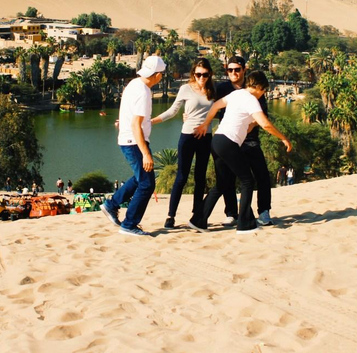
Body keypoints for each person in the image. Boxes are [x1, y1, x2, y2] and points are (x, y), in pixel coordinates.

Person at [192, 70, 292, 234]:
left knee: (222, 183)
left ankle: (198, 220)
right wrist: (283, 138)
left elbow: (216, 105)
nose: (263, 94)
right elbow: (265, 124)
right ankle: (245, 223)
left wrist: (205, 123)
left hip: (217, 140)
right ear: (259, 86)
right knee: (247, 181)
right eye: (264, 91)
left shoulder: (236, 94)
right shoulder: (251, 99)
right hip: (228, 142)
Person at [101, 55, 166, 236]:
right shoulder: (143, 92)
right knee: (147, 184)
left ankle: (112, 204)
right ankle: (129, 224)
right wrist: (146, 153)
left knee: (139, 179)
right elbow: (136, 124)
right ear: (158, 75)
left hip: (129, 140)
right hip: (134, 142)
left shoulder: (133, 84)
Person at [151, 58, 215, 229]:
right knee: (182, 177)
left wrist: (206, 124)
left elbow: (218, 111)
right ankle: (170, 216)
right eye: (198, 74)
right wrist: (151, 122)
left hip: (206, 137)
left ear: (210, 74)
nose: (202, 77)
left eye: (205, 74)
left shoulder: (213, 90)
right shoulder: (185, 89)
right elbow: (173, 111)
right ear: (194, 73)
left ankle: (196, 215)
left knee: (200, 177)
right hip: (187, 136)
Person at [212, 56, 275, 226]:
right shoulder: (222, 88)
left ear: (244, 70)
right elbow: (210, 105)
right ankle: (231, 213)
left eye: (237, 69)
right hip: (230, 139)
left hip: (250, 140)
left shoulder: (255, 87)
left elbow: (263, 116)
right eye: (230, 70)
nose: (233, 73)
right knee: (227, 178)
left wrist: (251, 124)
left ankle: (264, 212)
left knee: (261, 175)